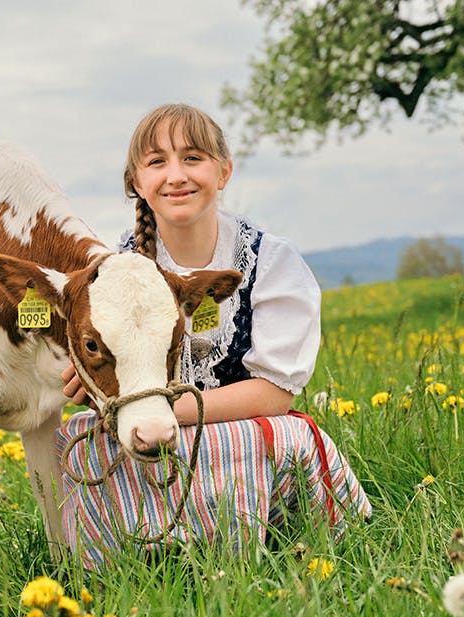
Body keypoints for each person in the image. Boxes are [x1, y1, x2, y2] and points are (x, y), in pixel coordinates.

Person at [58, 104, 370, 568]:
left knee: (288, 435)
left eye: (193, 157)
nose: (176, 175)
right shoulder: (111, 274)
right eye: (157, 161)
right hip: (150, 442)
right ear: (135, 183)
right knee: (75, 438)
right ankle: (131, 565)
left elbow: (274, 394)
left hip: (241, 442)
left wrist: (154, 410)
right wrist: (101, 390)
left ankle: (249, 547)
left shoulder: (270, 262)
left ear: (224, 172)